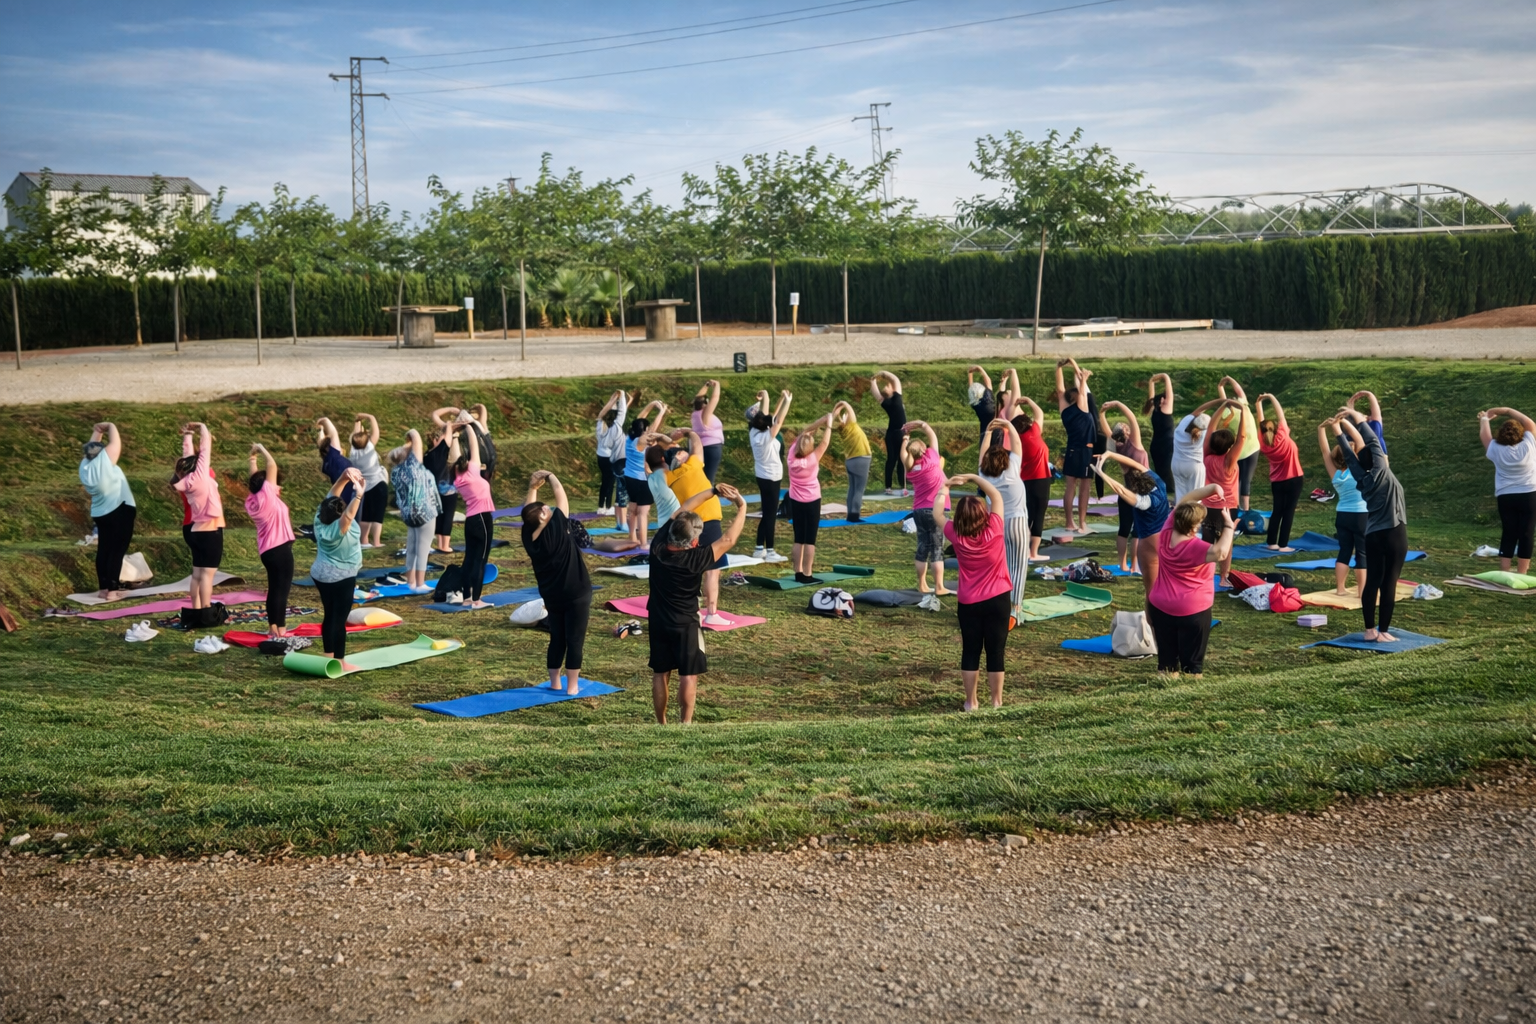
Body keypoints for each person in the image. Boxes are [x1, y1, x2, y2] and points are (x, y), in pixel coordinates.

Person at [648, 486, 749, 725]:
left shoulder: (657, 548)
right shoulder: (697, 558)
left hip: (658, 619)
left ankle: (661, 723)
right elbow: (729, 539)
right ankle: (686, 723)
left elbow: (682, 510)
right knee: (688, 675)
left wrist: (711, 491)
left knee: (660, 672)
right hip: (686, 623)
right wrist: (741, 506)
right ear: (694, 542)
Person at [934, 473, 1011, 711]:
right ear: (983, 515)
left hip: (969, 602)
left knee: (971, 650)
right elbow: (996, 495)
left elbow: (937, 513)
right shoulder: (995, 528)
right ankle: (996, 702)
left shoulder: (956, 535)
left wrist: (945, 486)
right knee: (995, 651)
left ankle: (971, 702)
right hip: (998, 599)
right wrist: (975, 479)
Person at [1145, 486, 1233, 678]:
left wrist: (1212, 489)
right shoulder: (1196, 547)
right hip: (1192, 611)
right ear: (1194, 527)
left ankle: (1165, 690)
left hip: (1160, 608)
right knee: (1192, 668)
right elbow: (1222, 552)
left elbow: (1186, 499)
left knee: (1167, 665)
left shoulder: (1167, 531)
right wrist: (1229, 526)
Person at [1334, 415, 1407, 642]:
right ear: (1377, 460)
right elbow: (1373, 440)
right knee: (1389, 582)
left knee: (1372, 581)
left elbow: (1349, 456)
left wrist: (1338, 430)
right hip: (1394, 534)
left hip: (1373, 534)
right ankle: (1384, 632)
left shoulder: (1361, 479)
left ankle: (1369, 631)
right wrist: (1354, 418)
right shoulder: (1383, 472)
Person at [521, 471, 594, 696]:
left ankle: (555, 682)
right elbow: (561, 496)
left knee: (557, 638)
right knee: (575, 639)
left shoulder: (528, 535)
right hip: (577, 593)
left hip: (552, 595)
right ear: (543, 516)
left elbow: (528, 513)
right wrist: (551, 476)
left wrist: (533, 488)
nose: (547, 508)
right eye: (544, 509)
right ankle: (572, 687)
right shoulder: (557, 527)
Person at [664, 426, 732, 624]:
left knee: (692, 568)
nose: (685, 449)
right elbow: (698, 446)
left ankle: (690, 608)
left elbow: (648, 462)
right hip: (708, 521)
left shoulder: (668, 477)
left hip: (689, 525)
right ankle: (712, 613)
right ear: (679, 456)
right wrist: (688, 432)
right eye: (681, 449)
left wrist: (662, 438)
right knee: (713, 569)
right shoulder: (693, 465)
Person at [1092, 451, 1171, 594]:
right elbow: (1135, 464)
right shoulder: (1159, 483)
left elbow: (1121, 490)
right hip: (1167, 540)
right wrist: (1110, 454)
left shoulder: (1145, 502)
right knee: (1166, 586)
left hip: (1150, 546)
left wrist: (1102, 474)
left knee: (1152, 592)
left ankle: (1152, 616)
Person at [312, 468, 365, 669]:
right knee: (339, 620)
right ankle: (340, 662)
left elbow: (331, 497)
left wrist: (343, 477)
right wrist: (358, 494)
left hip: (321, 574)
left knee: (330, 615)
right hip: (341, 577)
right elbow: (348, 516)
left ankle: (328, 655)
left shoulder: (320, 518)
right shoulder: (339, 528)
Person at [978, 417, 1030, 624]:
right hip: (1017, 522)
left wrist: (988, 433)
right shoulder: (1011, 470)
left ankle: (998, 603)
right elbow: (1017, 445)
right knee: (1019, 567)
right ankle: (1014, 610)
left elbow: (982, 456)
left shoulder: (984, 474)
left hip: (996, 524)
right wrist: (1008, 426)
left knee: (1002, 567)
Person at [79, 422, 136, 602]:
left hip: (100, 512)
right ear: (102, 455)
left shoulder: (85, 467)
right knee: (117, 551)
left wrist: (96, 432)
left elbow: (92, 450)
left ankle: (103, 589)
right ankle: (112, 590)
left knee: (104, 550)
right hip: (119, 510)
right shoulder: (104, 463)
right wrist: (110, 426)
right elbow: (116, 444)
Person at [172, 422, 225, 610]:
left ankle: (195, 608)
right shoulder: (202, 476)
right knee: (207, 576)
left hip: (193, 529)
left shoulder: (185, 481)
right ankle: (205, 609)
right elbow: (205, 448)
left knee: (196, 574)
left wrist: (187, 435)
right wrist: (201, 427)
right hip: (208, 529)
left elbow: (188, 457)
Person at [245, 443, 296, 636]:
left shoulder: (253, 500)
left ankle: (272, 627)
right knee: (282, 590)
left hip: (267, 551)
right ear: (266, 485)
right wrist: (261, 448)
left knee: (274, 589)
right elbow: (272, 465)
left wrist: (252, 459)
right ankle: (280, 629)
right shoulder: (268, 496)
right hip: (281, 549)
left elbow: (255, 480)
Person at [1480, 406, 1536, 575]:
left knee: (1509, 532)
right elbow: (1529, 423)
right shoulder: (1528, 444)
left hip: (1506, 496)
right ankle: (1522, 573)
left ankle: (1504, 571)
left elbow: (1484, 435)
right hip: (1529, 495)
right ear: (1521, 433)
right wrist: (1506, 410)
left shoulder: (1495, 449)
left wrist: (1485, 418)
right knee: (1527, 532)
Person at [1316, 417, 1368, 597]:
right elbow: (1361, 442)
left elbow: (1324, 451)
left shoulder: (1336, 474)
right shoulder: (1360, 469)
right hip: (1362, 516)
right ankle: (1362, 592)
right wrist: (1345, 421)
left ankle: (1340, 589)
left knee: (1344, 551)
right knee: (1362, 553)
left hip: (1342, 515)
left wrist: (1321, 428)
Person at [1097, 399, 1150, 574]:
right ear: (1127, 432)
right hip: (1142, 492)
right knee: (1138, 531)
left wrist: (1102, 413)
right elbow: (1133, 418)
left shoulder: (1116, 447)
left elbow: (1107, 432)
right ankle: (1135, 566)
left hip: (1126, 492)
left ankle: (1123, 565)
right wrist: (1118, 404)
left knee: (1123, 529)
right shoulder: (1135, 443)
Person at [387, 429, 441, 594]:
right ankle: (420, 584)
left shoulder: (396, 472)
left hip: (410, 514)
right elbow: (417, 437)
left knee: (412, 547)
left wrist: (405, 447)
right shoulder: (413, 467)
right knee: (423, 548)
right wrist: (409, 434)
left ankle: (410, 581)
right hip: (425, 512)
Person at [901, 419, 950, 595]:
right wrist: (920, 424)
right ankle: (939, 587)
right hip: (936, 510)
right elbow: (932, 434)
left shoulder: (911, 467)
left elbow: (903, 456)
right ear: (924, 450)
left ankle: (922, 585)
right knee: (937, 548)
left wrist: (905, 440)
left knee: (922, 547)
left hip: (918, 511)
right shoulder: (932, 458)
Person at [786, 413, 835, 584]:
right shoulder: (813, 459)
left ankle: (798, 572)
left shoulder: (791, 456)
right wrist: (828, 425)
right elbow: (825, 442)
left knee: (798, 537)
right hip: (812, 501)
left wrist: (821, 420)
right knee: (810, 539)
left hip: (795, 501)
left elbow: (805, 433)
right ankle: (808, 573)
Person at [1201, 400, 1245, 586]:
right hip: (1227, 507)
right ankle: (1223, 577)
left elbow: (1210, 428)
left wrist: (1222, 407)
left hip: (1208, 505)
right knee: (1225, 542)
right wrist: (1243, 412)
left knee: (1207, 542)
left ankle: (1204, 576)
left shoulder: (1207, 456)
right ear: (1229, 447)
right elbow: (1242, 438)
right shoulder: (1229, 461)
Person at [452, 422, 496, 609]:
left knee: (469, 559)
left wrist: (454, 434)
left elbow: (453, 457)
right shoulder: (473, 471)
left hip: (471, 520)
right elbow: (474, 445)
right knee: (481, 560)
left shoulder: (457, 478)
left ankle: (466, 598)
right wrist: (469, 427)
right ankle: (477, 600)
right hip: (483, 519)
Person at [1254, 393, 1306, 552]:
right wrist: (1271, 397)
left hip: (1277, 482)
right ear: (1276, 428)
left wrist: (1259, 404)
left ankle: (1272, 543)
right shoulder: (1282, 435)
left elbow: (1260, 423)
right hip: (1294, 479)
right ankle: (1283, 545)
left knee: (1277, 511)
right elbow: (1280, 413)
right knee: (1288, 511)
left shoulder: (1263, 443)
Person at [746, 389, 792, 563]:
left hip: (762, 476)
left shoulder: (754, 432)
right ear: (766, 425)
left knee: (767, 512)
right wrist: (787, 401)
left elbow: (767, 416)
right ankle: (770, 551)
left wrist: (768, 395)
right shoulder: (766, 437)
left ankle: (759, 548)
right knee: (770, 514)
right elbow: (778, 420)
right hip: (772, 478)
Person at [1008, 389, 1053, 563]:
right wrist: (1029, 400)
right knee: (1039, 516)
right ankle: (1033, 552)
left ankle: (1024, 550)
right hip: (1041, 479)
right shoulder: (1033, 432)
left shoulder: (1017, 440)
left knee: (1028, 515)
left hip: (1026, 481)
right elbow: (1039, 413)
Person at [1054, 359, 1096, 534]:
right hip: (1085, 451)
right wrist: (1082, 376)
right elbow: (1082, 388)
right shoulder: (1082, 405)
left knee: (1070, 486)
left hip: (1071, 449)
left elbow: (1059, 389)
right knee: (1085, 486)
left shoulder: (1065, 409)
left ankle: (1069, 522)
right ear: (1077, 396)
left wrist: (1059, 368)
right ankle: (1081, 523)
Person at [622, 400, 668, 548]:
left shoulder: (630, 438)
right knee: (643, 512)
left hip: (629, 478)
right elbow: (653, 429)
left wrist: (651, 404)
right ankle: (642, 544)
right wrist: (661, 412)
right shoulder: (642, 441)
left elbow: (638, 421)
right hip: (642, 481)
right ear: (645, 430)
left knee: (633, 510)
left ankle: (632, 538)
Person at [1215, 376, 1261, 512]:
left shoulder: (1226, 413)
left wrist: (1221, 387)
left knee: (1237, 479)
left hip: (1239, 450)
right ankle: (1244, 509)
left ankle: (1233, 505)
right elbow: (1239, 392)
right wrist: (1229, 380)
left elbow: (1228, 400)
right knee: (1245, 479)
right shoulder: (1242, 406)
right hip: (1251, 448)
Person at [347, 413, 387, 550]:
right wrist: (371, 417)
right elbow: (376, 432)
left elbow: (355, 436)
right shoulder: (369, 448)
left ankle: (364, 541)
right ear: (367, 441)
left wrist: (357, 422)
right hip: (378, 484)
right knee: (377, 515)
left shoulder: (353, 452)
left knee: (366, 514)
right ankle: (376, 542)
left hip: (364, 486)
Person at [425, 414, 459, 554]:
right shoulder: (438, 452)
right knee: (448, 516)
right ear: (435, 441)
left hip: (433, 490)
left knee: (439, 516)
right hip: (447, 489)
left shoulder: (427, 455)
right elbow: (448, 439)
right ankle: (445, 546)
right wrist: (450, 425)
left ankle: (440, 543)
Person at [832, 400, 872, 522]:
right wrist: (844, 403)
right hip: (861, 460)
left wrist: (836, 411)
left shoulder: (844, 430)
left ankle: (850, 515)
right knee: (859, 490)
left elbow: (836, 418)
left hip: (851, 461)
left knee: (852, 489)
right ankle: (854, 516)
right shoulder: (851, 427)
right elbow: (851, 412)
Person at [870, 370, 907, 495]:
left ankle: (895, 487)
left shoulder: (891, 399)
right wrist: (880, 375)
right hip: (896, 434)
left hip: (895, 433)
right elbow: (895, 379)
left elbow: (893, 381)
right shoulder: (892, 399)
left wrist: (876, 377)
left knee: (896, 460)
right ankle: (896, 487)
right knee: (896, 460)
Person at [595, 390, 629, 517]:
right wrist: (622, 397)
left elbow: (602, 413)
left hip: (600, 457)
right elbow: (622, 412)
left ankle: (600, 507)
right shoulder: (616, 427)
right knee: (611, 482)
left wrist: (613, 399)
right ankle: (608, 507)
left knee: (605, 481)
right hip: (611, 457)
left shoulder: (600, 424)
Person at [1144, 373, 1176, 492]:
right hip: (1166, 445)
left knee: (1161, 470)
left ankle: (1163, 489)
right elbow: (1169, 393)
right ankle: (1169, 491)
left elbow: (1151, 397)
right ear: (1162, 400)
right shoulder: (1165, 409)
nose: (1166, 398)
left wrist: (1151, 382)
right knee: (1167, 470)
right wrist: (1165, 377)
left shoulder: (1155, 410)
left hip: (1156, 445)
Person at [1170, 410, 1210, 504]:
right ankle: (1193, 518)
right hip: (1194, 466)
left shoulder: (1181, 428)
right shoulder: (1204, 434)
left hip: (1176, 464)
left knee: (1180, 498)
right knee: (1196, 499)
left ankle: (1178, 516)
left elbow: (1196, 412)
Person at [691, 380, 725, 484]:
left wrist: (706, 385)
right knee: (709, 478)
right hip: (712, 448)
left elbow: (698, 398)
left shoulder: (695, 414)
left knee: (702, 477)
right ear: (705, 404)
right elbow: (715, 398)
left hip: (702, 447)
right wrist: (717, 385)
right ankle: (708, 497)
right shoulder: (705, 414)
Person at [315, 417, 356, 503]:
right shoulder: (334, 456)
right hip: (349, 491)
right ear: (331, 447)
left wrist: (321, 430)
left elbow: (321, 444)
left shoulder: (328, 461)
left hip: (341, 492)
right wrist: (324, 420)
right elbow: (333, 433)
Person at [966, 365, 997, 445]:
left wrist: (970, 373)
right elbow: (988, 381)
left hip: (984, 432)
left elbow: (971, 389)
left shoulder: (975, 405)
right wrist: (980, 369)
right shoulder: (988, 399)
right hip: (996, 430)